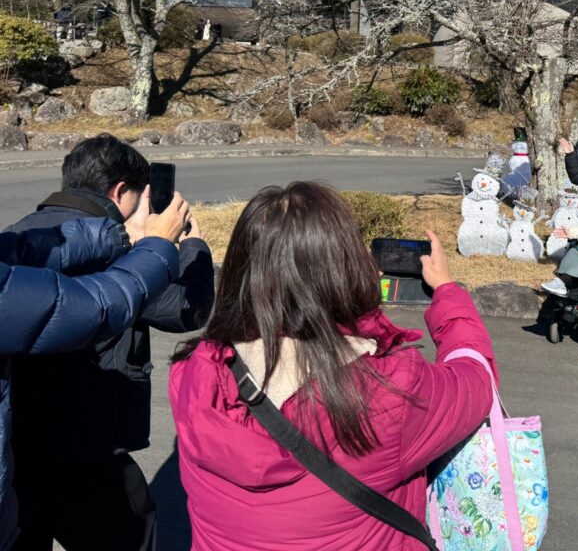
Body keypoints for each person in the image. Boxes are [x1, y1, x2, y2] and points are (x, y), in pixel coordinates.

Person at [169, 181, 497, 550]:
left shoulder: (194, 373)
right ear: (346, 268)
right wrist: (447, 291)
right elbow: (475, 379)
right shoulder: (389, 389)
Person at [6, 134, 214, 551]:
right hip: (88, 450)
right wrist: (191, 242)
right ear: (121, 191)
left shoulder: (16, 237)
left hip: (17, 449)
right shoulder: (122, 251)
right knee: (132, 534)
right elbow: (185, 310)